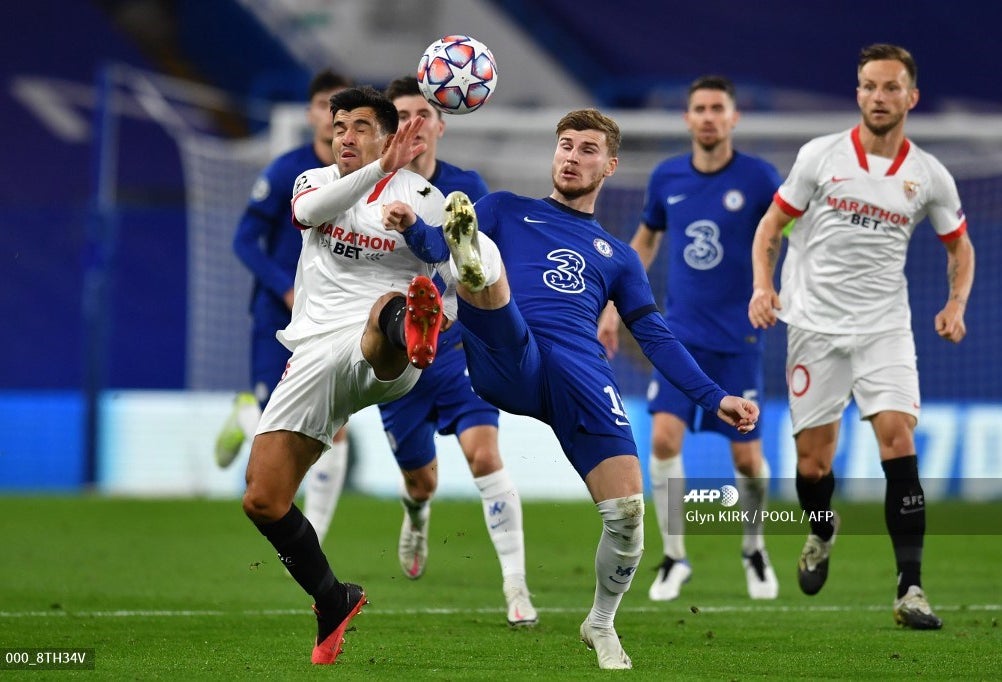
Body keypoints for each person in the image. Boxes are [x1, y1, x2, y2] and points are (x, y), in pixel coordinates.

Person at [390, 108, 759, 669]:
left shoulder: (620, 256)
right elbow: (435, 251)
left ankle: (600, 623)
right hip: (506, 354)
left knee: (629, 514)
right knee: (483, 274)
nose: (572, 156)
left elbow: (655, 337)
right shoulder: (505, 209)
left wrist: (714, 396)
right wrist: (415, 229)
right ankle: (478, 266)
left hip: (580, 373)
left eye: (588, 149)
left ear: (609, 165)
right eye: (565, 145)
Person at [747, 44, 975, 630]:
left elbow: (960, 247)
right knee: (813, 463)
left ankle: (911, 588)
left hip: (884, 329)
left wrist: (955, 303)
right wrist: (762, 287)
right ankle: (821, 530)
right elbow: (771, 225)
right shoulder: (820, 157)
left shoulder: (929, 175)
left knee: (898, 443)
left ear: (911, 97)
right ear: (858, 93)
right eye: (870, 86)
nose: (880, 97)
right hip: (815, 327)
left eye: (891, 87)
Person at [242, 85, 455, 665]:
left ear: (386, 135)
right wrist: (379, 169)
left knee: (385, 312)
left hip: (386, 353)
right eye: (340, 127)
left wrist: (413, 227)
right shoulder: (313, 182)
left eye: (361, 127)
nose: (345, 136)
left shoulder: (426, 197)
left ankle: (409, 323)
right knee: (263, 498)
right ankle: (333, 599)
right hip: (312, 354)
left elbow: (450, 266)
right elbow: (306, 215)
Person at [597, 75, 781, 602]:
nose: (707, 117)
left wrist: (770, 286)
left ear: (733, 117)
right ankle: (675, 557)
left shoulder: (759, 178)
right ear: (687, 118)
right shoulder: (667, 176)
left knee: (747, 460)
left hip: (739, 341)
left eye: (717, 108)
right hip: (679, 339)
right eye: (699, 108)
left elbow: (782, 234)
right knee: (662, 440)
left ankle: (754, 547)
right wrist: (613, 300)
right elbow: (646, 238)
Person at [379, 75, 536, 626]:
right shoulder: (369, 188)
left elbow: (484, 264)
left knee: (484, 456)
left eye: (423, 113)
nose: (413, 124)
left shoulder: (466, 187)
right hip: (394, 357)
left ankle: (516, 588)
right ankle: (417, 514)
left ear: (442, 122)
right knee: (421, 480)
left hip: (455, 349)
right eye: (400, 115)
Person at [214, 69, 353, 542]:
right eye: (324, 106)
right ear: (312, 113)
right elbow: (245, 240)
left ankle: (318, 533)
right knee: (272, 417)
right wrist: (284, 287)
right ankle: (246, 413)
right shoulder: (285, 171)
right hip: (279, 316)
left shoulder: (361, 180)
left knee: (334, 427)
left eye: (343, 108)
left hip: (331, 321)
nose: (333, 116)